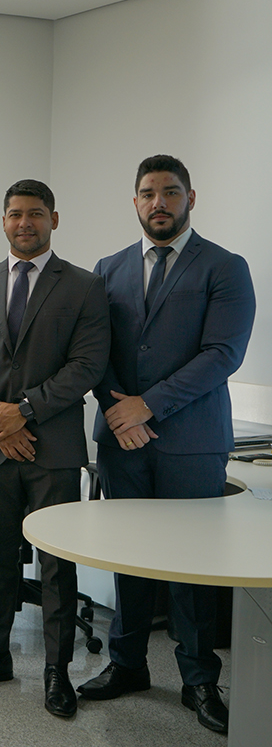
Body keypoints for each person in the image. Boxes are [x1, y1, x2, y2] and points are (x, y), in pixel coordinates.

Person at [77, 155, 255, 734]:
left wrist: (146, 405)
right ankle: (126, 664)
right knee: (128, 557)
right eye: (148, 193)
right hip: (122, 441)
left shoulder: (225, 267)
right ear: (134, 202)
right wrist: (115, 407)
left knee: (192, 569)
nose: (160, 202)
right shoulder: (108, 267)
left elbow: (222, 354)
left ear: (190, 198)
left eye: (171, 192)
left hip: (192, 442)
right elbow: (93, 349)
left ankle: (199, 679)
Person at [0, 179, 110, 717]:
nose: (25, 223)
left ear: (54, 220)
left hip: (54, 447)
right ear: (3, 221)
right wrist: (1, 422)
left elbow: (86, 366)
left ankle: (56, 670)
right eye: (15, 214)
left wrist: (25, 412)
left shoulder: (84, 287)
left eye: (36, 214)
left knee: (56, 565)